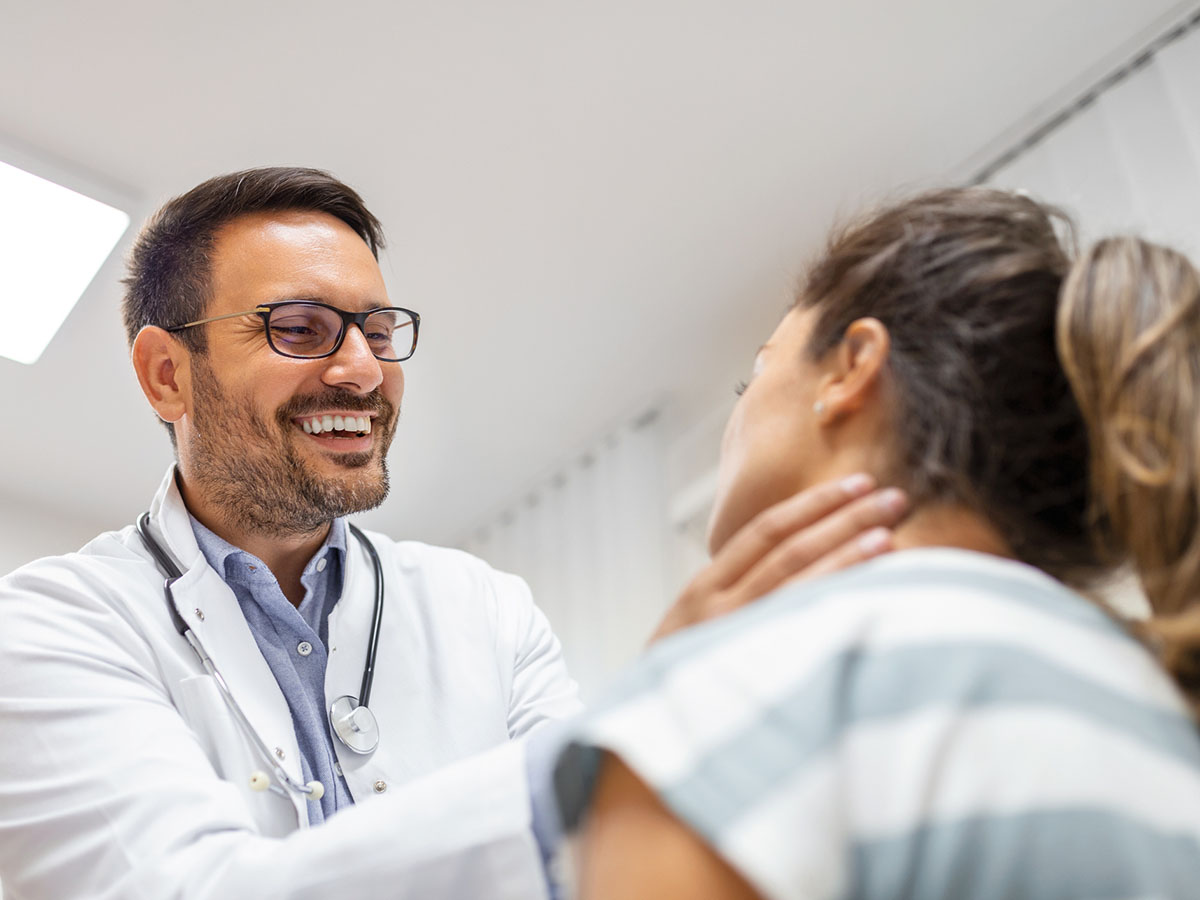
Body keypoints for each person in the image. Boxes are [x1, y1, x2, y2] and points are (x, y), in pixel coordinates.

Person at [0, 166, 907, 899]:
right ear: (166, 375)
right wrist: (626, 736)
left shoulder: (486, 611)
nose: (362, 371)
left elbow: (592, 873)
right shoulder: (50, 629)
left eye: (378, 329)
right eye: (301, 329)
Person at [554, 188, 1200, 898]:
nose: (739, 411)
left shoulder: (742, 684)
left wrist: (661, 703)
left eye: (757, 372)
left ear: (852, 367)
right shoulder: (1157, 702)